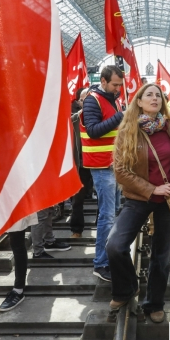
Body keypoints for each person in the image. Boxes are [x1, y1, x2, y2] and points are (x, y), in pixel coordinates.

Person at [106, 83, 170, 323]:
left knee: (161, 256)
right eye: (149, 95)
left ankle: (154, 302)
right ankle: (126, 289)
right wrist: (152, 188)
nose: (155, 98)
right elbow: (120, 171)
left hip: (168, 200)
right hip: (139, 198)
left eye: (159, 95)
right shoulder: (128, 131)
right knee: (115, 245)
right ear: (139, 102)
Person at [81, 65, 124, 282]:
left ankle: (109, 257)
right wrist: (120, 117)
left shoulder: (111, 99)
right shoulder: (92, 100)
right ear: (104, 81)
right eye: (115, 84)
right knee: (106, 217)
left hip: (113, 167)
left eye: (120, 85)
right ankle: (101, 263)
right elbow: (93, 130)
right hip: (101, 168)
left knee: (112, 213)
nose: (118, 89)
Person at [0, 212, 38, 311]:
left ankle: (18, 289)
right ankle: (18, 289)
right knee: (16, 243)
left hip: (15, 202)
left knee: (17, 243)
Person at [70, 88, 92, 238]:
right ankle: (77, 229)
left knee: (104, 199)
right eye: (85, 100)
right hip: (81, 165)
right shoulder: (74, 120)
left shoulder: (104, 118)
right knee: (78, 198)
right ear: (79, 102)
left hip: (100, 164)